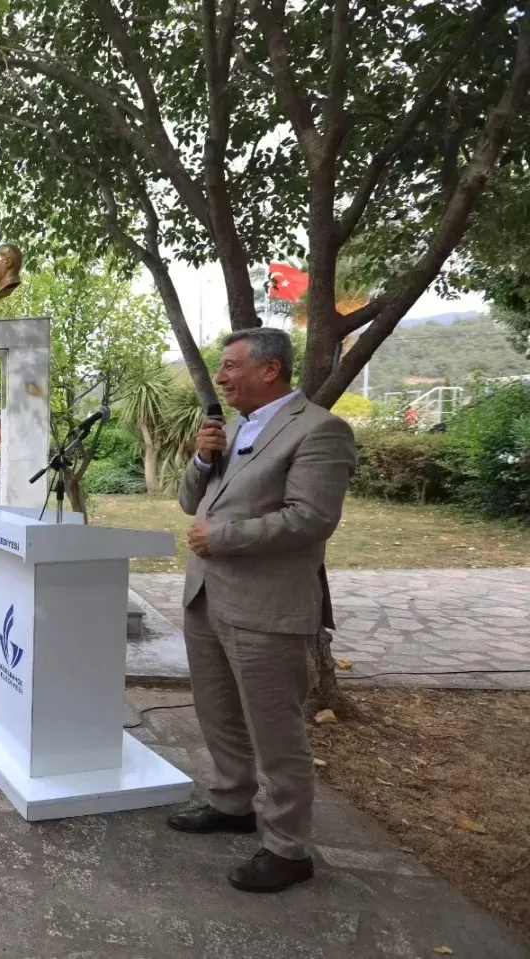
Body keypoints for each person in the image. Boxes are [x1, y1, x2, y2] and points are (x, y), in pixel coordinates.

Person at [171, 328, 357, 894]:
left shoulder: (320, 430)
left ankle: (288, 847)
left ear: (269, 369)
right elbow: (188, 502)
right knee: (218, 712)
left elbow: (310, 518)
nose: (221, 376)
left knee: (276, 731)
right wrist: (204, 461)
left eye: (230, 366)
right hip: (207, 597)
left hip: (265, 607)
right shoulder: (232, 430)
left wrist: (223, 536)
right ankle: (232, 804)